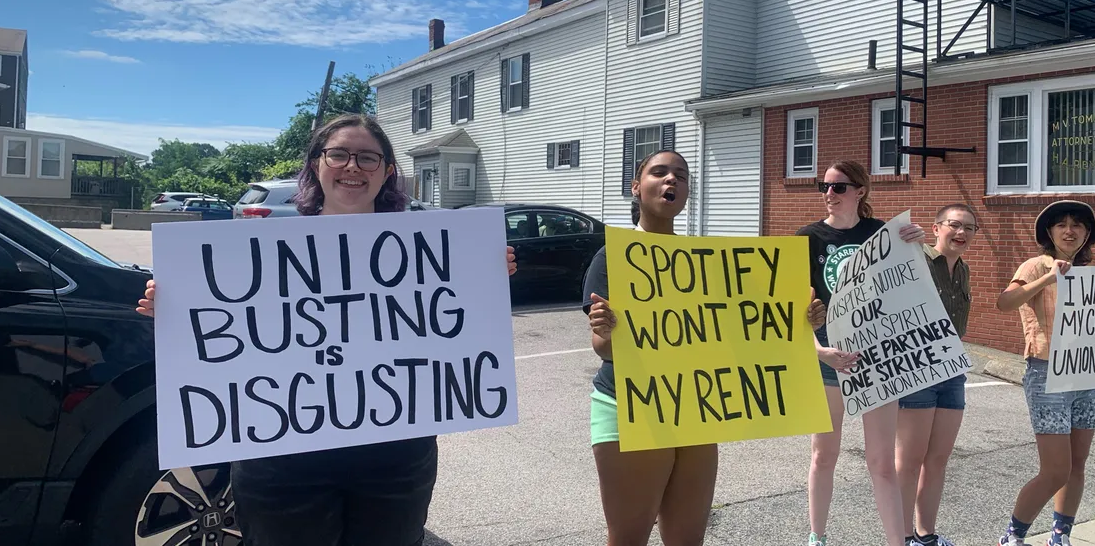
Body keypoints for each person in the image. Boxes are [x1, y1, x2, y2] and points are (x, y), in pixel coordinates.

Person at [136, 113, 517, 546]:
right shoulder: (252, 252)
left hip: (393, 460)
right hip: (282, 464)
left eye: (368, 158)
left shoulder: (436, 252)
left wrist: (482, 277)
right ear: (316, 164)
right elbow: (217, 348)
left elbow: (459, 333)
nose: (352, 166)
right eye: (338, 154)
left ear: (387, 171)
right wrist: (172, 314)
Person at [582, 149, 827, 546]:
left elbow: (739, 333)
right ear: (636, 187)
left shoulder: (705, 261)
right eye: (659, 173)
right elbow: (605, 351)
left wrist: (801, 323)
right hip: (632, 407)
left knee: (688, 538)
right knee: (628, 538)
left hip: (695, 407)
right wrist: (605, 329)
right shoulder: (613, 256)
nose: (671, 180)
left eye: (681, 174)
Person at [798, 159, 927, 546]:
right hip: (829, 355)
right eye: (825, 186)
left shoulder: (883, 234)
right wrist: (820, 352)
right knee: (824, 455)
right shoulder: (808, 238)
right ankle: (816, 537)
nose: (829, 194)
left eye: (839, 187)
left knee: (882, 463)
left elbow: (910, 287)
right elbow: (792, 311)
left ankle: (895, 541)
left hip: (879, 355)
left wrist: (920, 246)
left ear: (860, 191)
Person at [995, 200, 1095, 546]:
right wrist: (1050, 277)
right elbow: (1005, 303)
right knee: (1055, 470)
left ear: (1088, 234)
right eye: (1061, 224)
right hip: (1047, 374)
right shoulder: (1036, 265)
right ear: (1049, 232)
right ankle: (1013, 534)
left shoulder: (1093, 270)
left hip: (1087, 374)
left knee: (1077, 464)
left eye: (1078, 224)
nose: (1070, 230)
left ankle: (1060, 534)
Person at [894, 204, 978, 546]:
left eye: (969, 228)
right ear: (937, 227)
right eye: (955, 225)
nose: (961, 233)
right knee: (910, 459)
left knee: (938, 458)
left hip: (952, 368)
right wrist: (905, 241)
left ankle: (925, 535)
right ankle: (900, 535)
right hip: (916, 367)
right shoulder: (916, 258)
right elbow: (888, 266)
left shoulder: (964, 270)